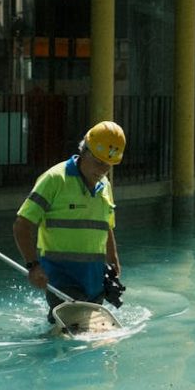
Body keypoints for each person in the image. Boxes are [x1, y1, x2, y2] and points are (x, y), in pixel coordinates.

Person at [13, 120, 126, 321]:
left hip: (94, 278)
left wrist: (113, 259)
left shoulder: (105, 185)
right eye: (99, 162)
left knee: (88, 334)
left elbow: (105, 225)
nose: (102, 170)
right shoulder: (55, 179)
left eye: (108, 166)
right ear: (85, 151)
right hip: (61, 276)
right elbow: (22, 224)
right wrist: (33, 265)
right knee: (75, 326)